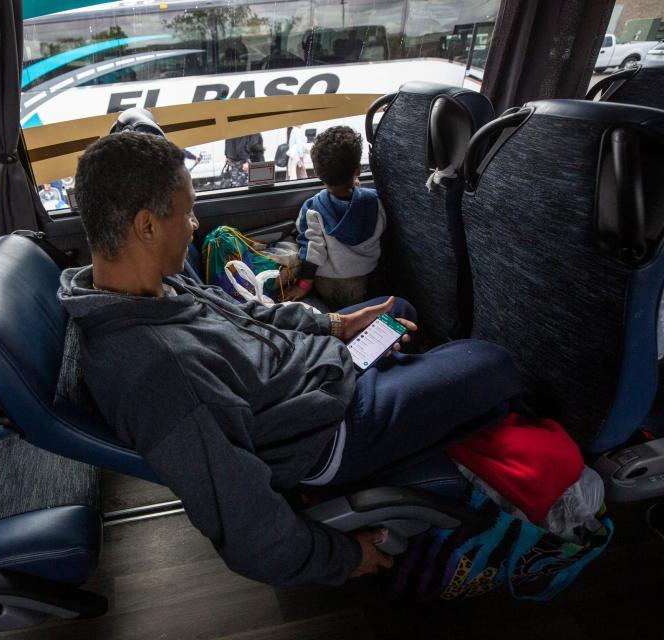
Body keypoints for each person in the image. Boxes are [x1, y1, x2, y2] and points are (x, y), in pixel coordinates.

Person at [57, 131, 523, 587]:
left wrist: (336, 327)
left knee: (397, 311)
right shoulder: (158, 375)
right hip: (327, 430)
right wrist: (344, 556)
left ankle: (407, 387)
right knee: (493, 362)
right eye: (189, 212)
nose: (195, 224)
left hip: (311, 371)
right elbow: (247, 526)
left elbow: (247, 316)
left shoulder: (150, 286)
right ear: (147, 226)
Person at [285, 126, 384, 308]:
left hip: (326, 283)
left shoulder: (312, 208)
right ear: (357, 171)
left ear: (316, 172)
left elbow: (312, 252)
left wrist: (304, 285)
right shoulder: (376, 202)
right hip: (360, 280)